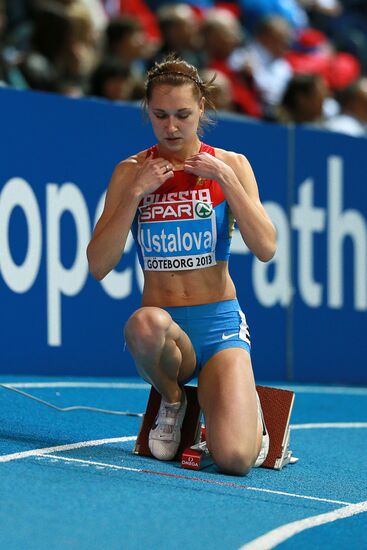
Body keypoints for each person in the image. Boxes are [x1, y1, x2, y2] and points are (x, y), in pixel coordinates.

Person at [87, 56, 276, 476]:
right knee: (142, 324)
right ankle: (173, 402)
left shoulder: (233, 164)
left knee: (235, 460)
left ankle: (245, 407)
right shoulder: (131, 172)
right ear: (147, 112)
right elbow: (98, 265)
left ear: (202, 110)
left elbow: (265, 247)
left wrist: (226, 180)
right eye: (160, 115)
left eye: (182, 115)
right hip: (166, 330)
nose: (171, 127)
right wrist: (135, 193)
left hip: (219, 324)